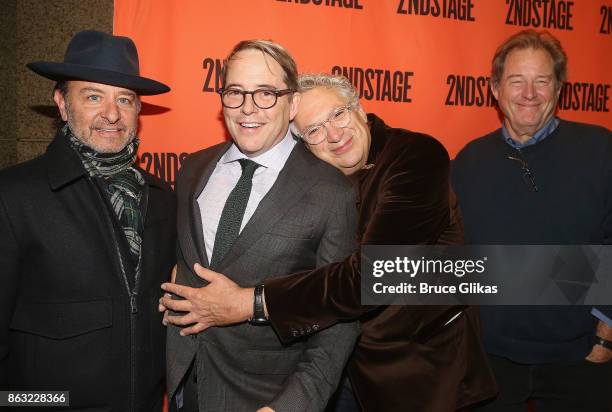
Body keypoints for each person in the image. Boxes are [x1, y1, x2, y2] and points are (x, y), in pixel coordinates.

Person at [162, 73, 497, 411]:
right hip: (336, 368)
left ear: (360, 109)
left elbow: (373, 276)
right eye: (314, 130)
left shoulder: (416, 157)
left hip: (420, 371)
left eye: (338, 114)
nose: (334, 135)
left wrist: (252, 302)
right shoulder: (313, 184)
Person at [162, 41, 360, 412]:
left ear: (293, 105)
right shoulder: (193, 169)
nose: (248, 108)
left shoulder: (332, 192)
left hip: (264, 400)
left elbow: (340, 320)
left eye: (266, 93)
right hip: (182, 388)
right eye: (236, 93)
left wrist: (290, 406)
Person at [0, 30, 176, 411]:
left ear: (138, 110)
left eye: (125, 99)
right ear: (62, 104)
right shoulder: (13, 195)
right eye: (93, 96)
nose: (112, 114)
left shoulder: (163, 199)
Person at [451, 29, 612, 411]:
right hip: (491, 361)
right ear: (495, 89)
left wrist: (606, 332)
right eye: (517, 81)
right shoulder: (469, 161)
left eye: (542, 81)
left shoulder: (601, 150)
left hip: (581, 357)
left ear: (559, 88)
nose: (529, 93)